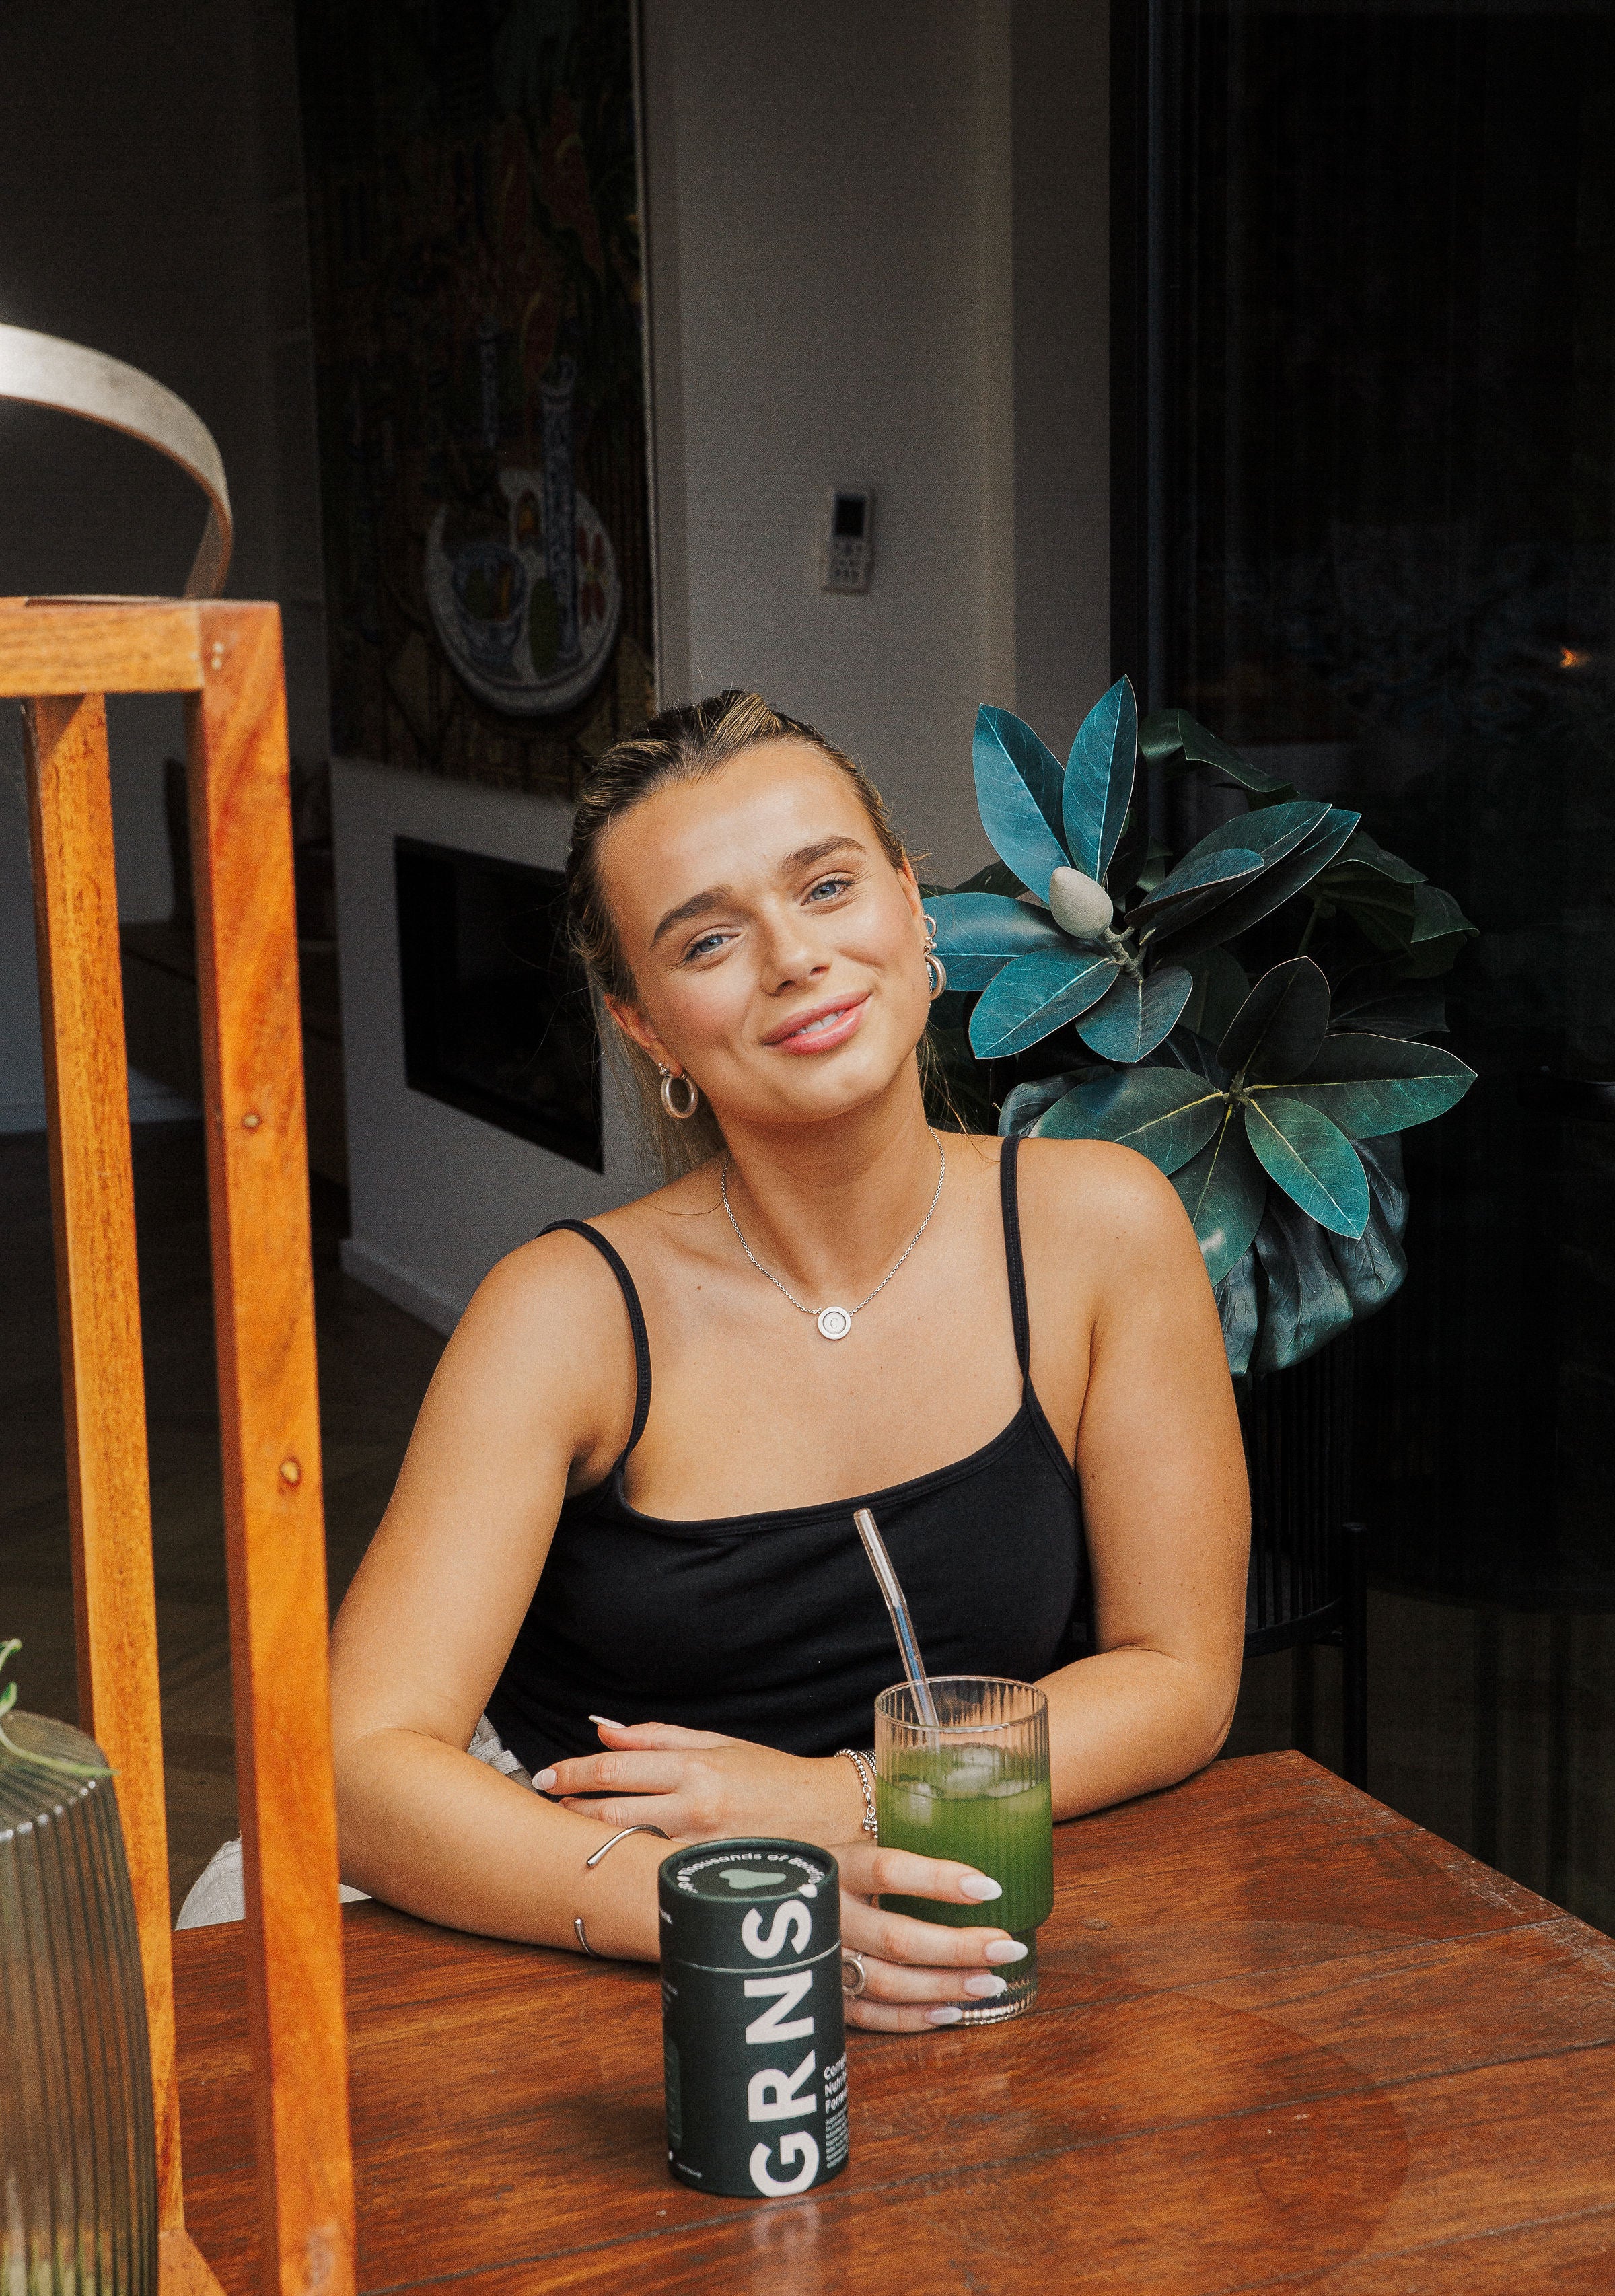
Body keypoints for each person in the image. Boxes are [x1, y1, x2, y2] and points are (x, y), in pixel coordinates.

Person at [326, 691, 1250, 2032]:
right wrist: (744, 1911)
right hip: (605, 1971)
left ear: (911, 905)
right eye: (709, 937)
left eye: (826, 886)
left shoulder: (1104, 1229)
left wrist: (842, 1794)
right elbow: (359, 1769)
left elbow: (1177, 1677)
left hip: (971, 1940)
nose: (794, 957)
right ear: (645, 1022)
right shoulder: (564, 1313)